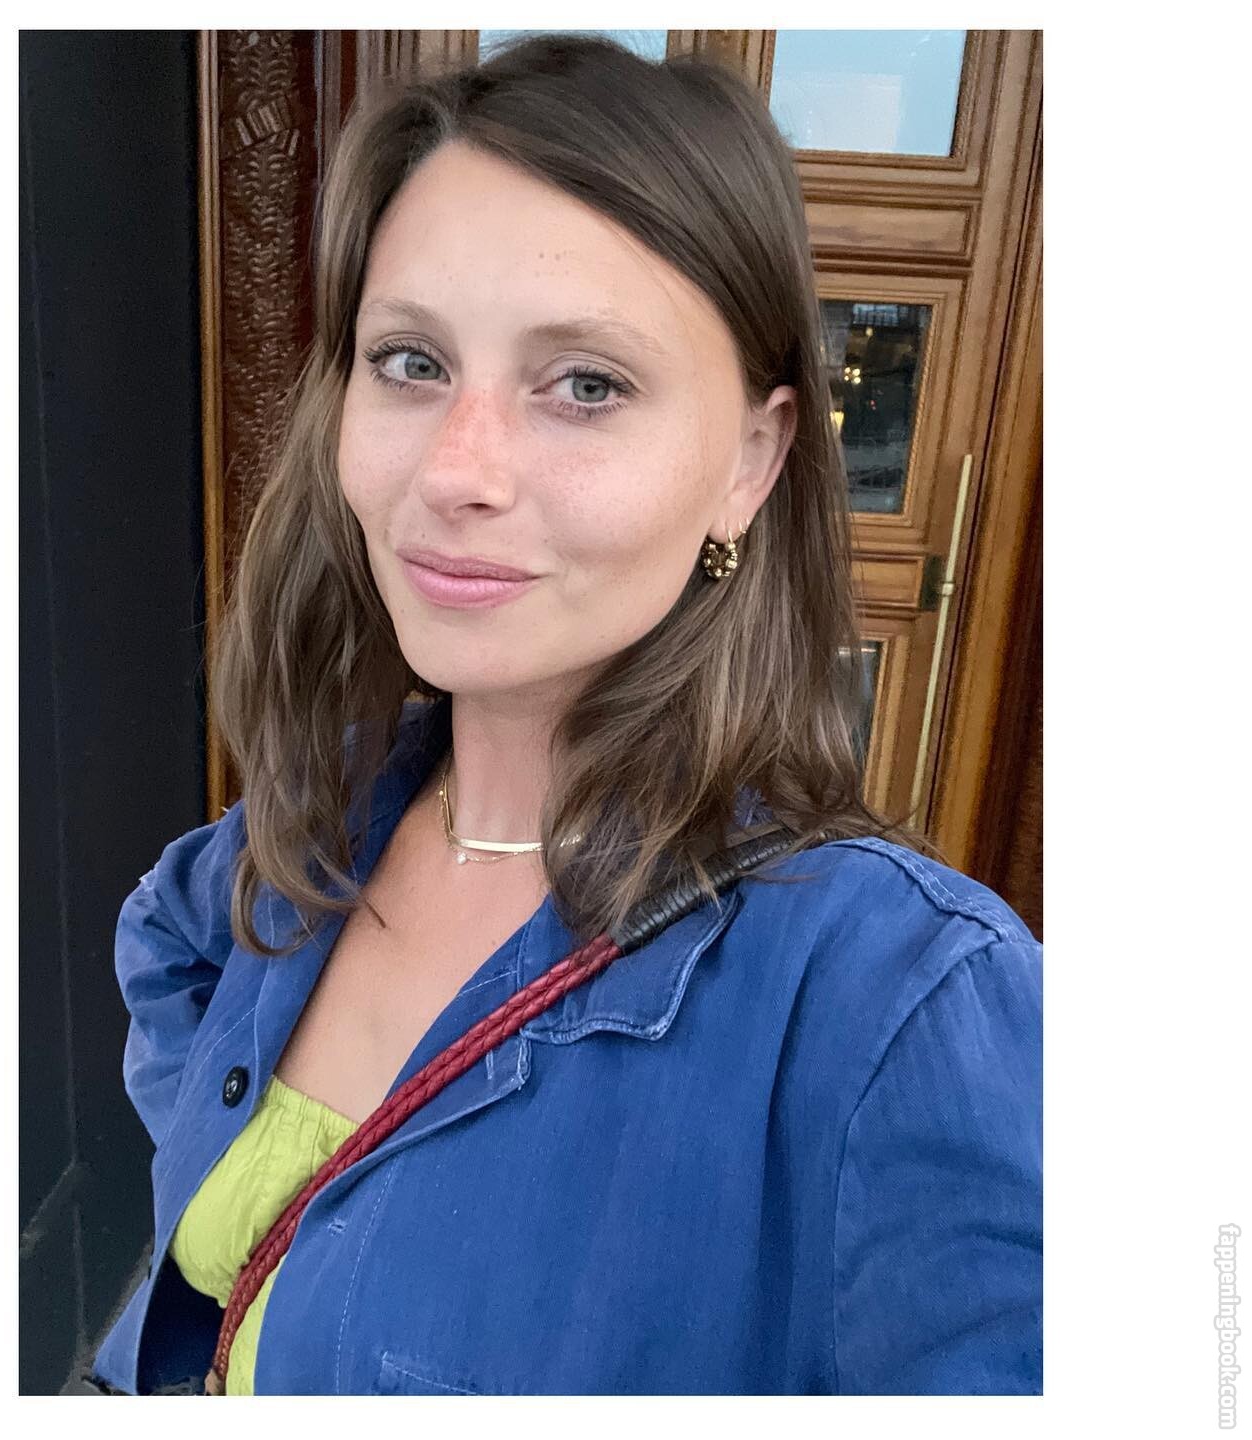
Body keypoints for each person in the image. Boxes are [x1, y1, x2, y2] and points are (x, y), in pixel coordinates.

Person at [89, 33, 1042, 1396]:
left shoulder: (898, 1007)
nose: (456, 471)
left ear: (752, 459)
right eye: (410, 361)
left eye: (586, 384)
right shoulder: (315, 828)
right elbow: (169, 944)